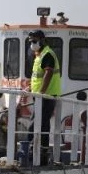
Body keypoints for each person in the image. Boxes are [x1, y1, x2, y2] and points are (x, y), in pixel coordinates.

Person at [27, 30, 61, 164]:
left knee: (37, 124)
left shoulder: (47, 55)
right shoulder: (39, 55)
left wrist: (41, 92)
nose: (32, 44)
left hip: (46, 96)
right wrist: (30, 88)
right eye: (30, 42)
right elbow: (38, 77)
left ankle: (33, 154)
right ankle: (38, 152)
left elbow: (48, 73)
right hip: (40, 96)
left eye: (34, 41)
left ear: (42, 40)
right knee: (41, 124)